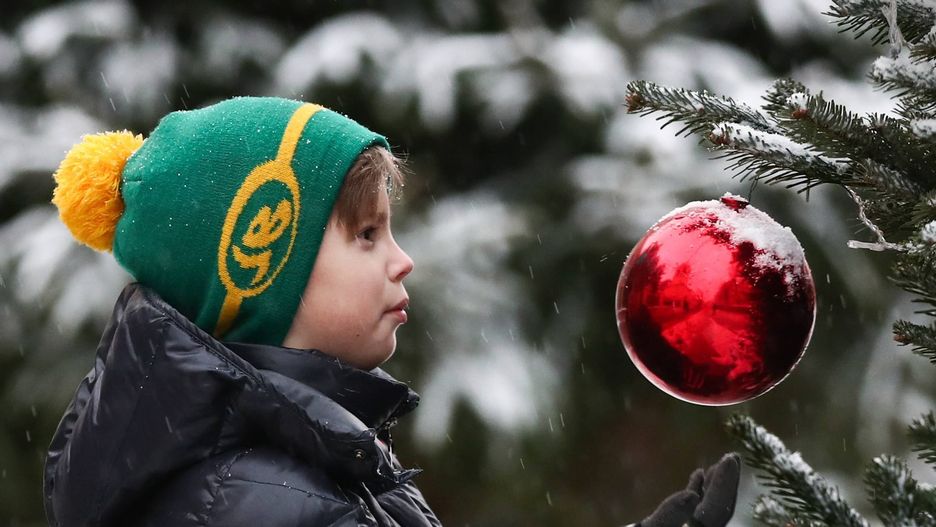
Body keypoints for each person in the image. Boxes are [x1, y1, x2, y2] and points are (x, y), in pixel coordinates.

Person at [43, 96, 739, 526]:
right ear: (259, 272)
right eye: (367, 234)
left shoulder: (293, 467)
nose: (401, 259)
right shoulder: (270, 500)